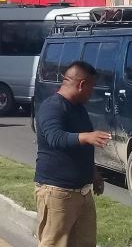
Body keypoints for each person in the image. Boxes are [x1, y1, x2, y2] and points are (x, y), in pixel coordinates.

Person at [34, 61, 111, 247]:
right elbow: (55, 137)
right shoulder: (52, 107)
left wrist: (93, 174)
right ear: (82, 84)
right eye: (91, 87)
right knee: (55, 243)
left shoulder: (78, 107)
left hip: (82, 192)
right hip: (57, 193)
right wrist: (87, 137)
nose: (92, 93)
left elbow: (81, 149)